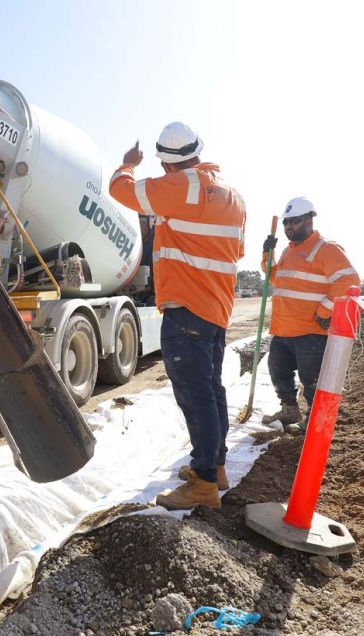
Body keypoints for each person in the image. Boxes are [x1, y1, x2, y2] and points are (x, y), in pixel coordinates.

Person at [110, 122, 246, 510]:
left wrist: (127, 165)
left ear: (167, 164)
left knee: (194, 394)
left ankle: (204, 486)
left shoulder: (180, 186)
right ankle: (215, 467)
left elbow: (121, 191)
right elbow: (236, 252)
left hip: (186, 308)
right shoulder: (234, 196)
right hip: (216, 308)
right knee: (211, 389)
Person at [260, 197, 360, 431]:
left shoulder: (325, 249)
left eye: (294, 222)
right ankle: (289, 409)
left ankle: (316, 421)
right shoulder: (288, 251)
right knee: (277, 369)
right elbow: (273, 279)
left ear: (309, 220)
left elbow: (349, 279)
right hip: (284, 330)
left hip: (310, 331)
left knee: (311, 379)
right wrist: (268, 255)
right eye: (286, 223)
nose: (288, 227)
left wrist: (325, 308)